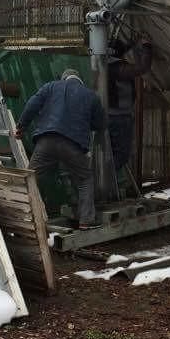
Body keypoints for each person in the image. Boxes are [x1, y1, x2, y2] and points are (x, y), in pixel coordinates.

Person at [14, 68, 105, 229]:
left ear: (64, 78)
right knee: (85, 179)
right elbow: (99, 124)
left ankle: (20, 217)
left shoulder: (50, 86)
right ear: (80, 80)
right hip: (73, 144)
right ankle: (86, 221)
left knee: (31, 179)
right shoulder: (90, 95)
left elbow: (32, 105)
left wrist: (21, 127)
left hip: (46, 140)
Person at [107, 34, 153, 173]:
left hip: (110, 115)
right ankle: (105, 179)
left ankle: (104, 179)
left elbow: (120, 49)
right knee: (122, 156)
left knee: (110, 153)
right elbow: (142, 68)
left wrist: (133, 41)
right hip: (119, 117)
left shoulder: (105, 62)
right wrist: (147, 46)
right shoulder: (117, 68)